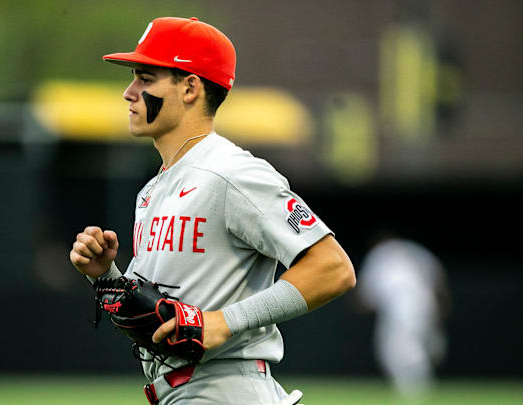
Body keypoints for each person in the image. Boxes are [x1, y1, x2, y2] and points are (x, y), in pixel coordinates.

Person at [69, 17, 356, 405]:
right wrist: (105, 275)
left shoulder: (232, 172)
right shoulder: (151, 192)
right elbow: (151, 322)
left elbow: (333, 268)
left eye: (146, 78)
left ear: (190, 87)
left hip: (225, 388)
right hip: (184, 390)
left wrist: (225, 321)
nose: (129, 92)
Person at [357, 236, 449, 400]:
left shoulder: (378, 256)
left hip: (400, 310)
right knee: (419, 347)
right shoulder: (414, 249)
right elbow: (438, 276)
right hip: (426, 304)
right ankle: (421, 379)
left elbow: (365, 298)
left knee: (397, 352)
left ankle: (416, 393)